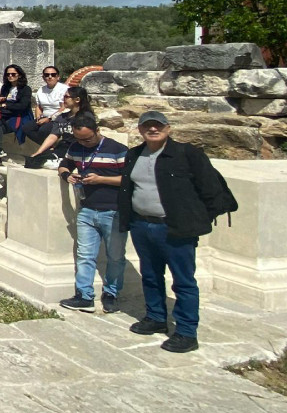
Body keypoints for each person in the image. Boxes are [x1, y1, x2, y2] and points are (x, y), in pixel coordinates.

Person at [120, 111, 231, 354]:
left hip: (175, 228)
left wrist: (194, 220)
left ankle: (186, 331)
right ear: (140, 130)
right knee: (150, 275)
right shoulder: (134, 154)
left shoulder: (187, 154)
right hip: (142, 225)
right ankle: (156, 317)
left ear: (168, 128)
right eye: (147, 126)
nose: (152, 130)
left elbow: (211, 188)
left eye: (157, 126)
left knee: (183, 281)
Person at [56, 112, 129, 314]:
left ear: (98, 131)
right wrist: (67, 175)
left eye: (88, 139)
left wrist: (101, 180)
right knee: (85, 255)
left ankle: (111, 294)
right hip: (87, 209)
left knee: (115, 256)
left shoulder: (118, 150)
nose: (84, 143)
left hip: (113, 211)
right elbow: (64, 164)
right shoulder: (76, 147)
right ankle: (84, 296)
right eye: (79, 139)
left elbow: (129, 179)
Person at [30, 85, 93, 166]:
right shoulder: (62, 117)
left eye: (66, 97)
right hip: (62, 149)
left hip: (78, 151)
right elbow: (53, 136)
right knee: (35, 160)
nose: (63, 99)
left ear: (77, 100)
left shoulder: (86, 117)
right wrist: (38, 152)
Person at [0, 64, 34, 162]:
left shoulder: (25, 89)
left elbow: (22, 106)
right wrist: (1, 100)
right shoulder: (5, 88)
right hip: (6, 116)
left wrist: (5, 105)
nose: (10, 76)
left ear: (19, 75)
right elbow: (3, 103)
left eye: (13, 74)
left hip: (19, 117)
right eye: (8, 74)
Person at [24, 66, 68, 145]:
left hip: (59, 118)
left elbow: (63, 108)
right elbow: (39, 106)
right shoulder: (41, 90)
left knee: (43, 130)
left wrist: (49, 118)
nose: (50, 77)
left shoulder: (64, 89)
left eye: (53, 75)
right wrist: (38, 117)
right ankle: (46, 147)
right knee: (27, 128)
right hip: (44, 117)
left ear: (58, 77)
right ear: (43, 77)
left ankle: (45, 148)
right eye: (47, 75)